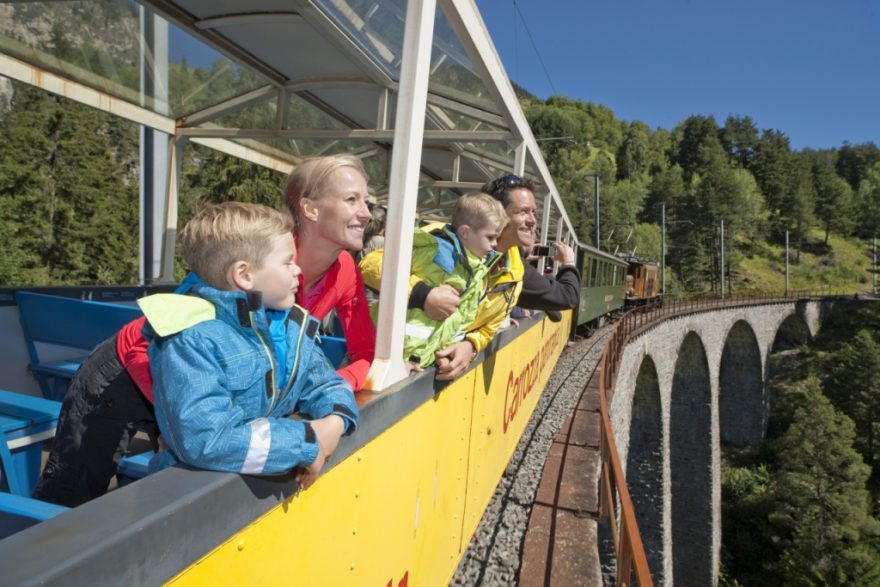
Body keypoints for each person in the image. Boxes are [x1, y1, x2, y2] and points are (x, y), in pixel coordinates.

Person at [141, 202, 357, 487]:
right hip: (193, 500)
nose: (298, 270)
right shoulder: (193, 340)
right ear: (244, 275)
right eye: (287, 261)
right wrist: (305, 442)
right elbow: (207, 439)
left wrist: (334, 422)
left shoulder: (290, 326)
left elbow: (325, 383)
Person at [423, 174, 581, 381]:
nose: (533, 220)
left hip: (440, 369)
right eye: (523, 212)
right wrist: (423, 294)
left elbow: (565, 298)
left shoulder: (515, 267)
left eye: (533, 212)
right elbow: (374, 265)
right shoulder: (445, 238)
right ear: (496, 212)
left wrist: (471, 344)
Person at [360, 193, 508, 368]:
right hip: (384, 358)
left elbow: (456, 323)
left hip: (417, 363)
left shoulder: (476, 271)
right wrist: (422, 293)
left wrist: (444, 351)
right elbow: (371, 265)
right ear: (465, 232)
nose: (494, 244)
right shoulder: (435, 250)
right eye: (490, 237)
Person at [284, 155, 376, 391]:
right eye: (351, 200)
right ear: (310, 209)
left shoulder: (346, 268)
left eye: (366, 202)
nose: (366, 214)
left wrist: (331, 385)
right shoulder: (260, 257)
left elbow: (367, 351)